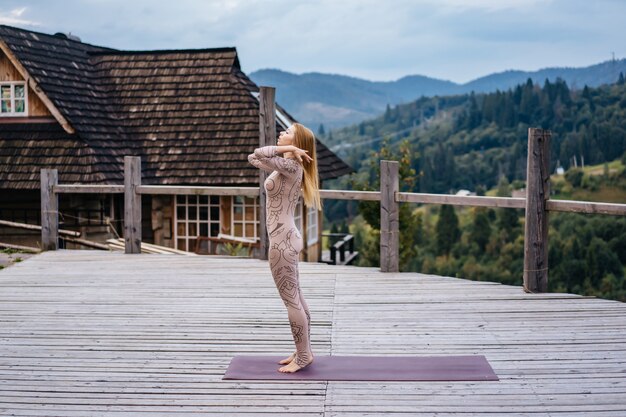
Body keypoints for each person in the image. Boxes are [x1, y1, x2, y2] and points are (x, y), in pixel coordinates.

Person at [248, 123, 322, 373]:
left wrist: (289, 148)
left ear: (297, 142)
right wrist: (288, 148)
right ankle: (304, 350)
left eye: (287, 132)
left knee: (291, 301)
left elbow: (259, 153)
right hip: (285, 239)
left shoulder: (291, 166)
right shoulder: (286, 166)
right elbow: (253, 158)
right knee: (297, 298)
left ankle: (303, 356)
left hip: (282, 242)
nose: (281, 133)